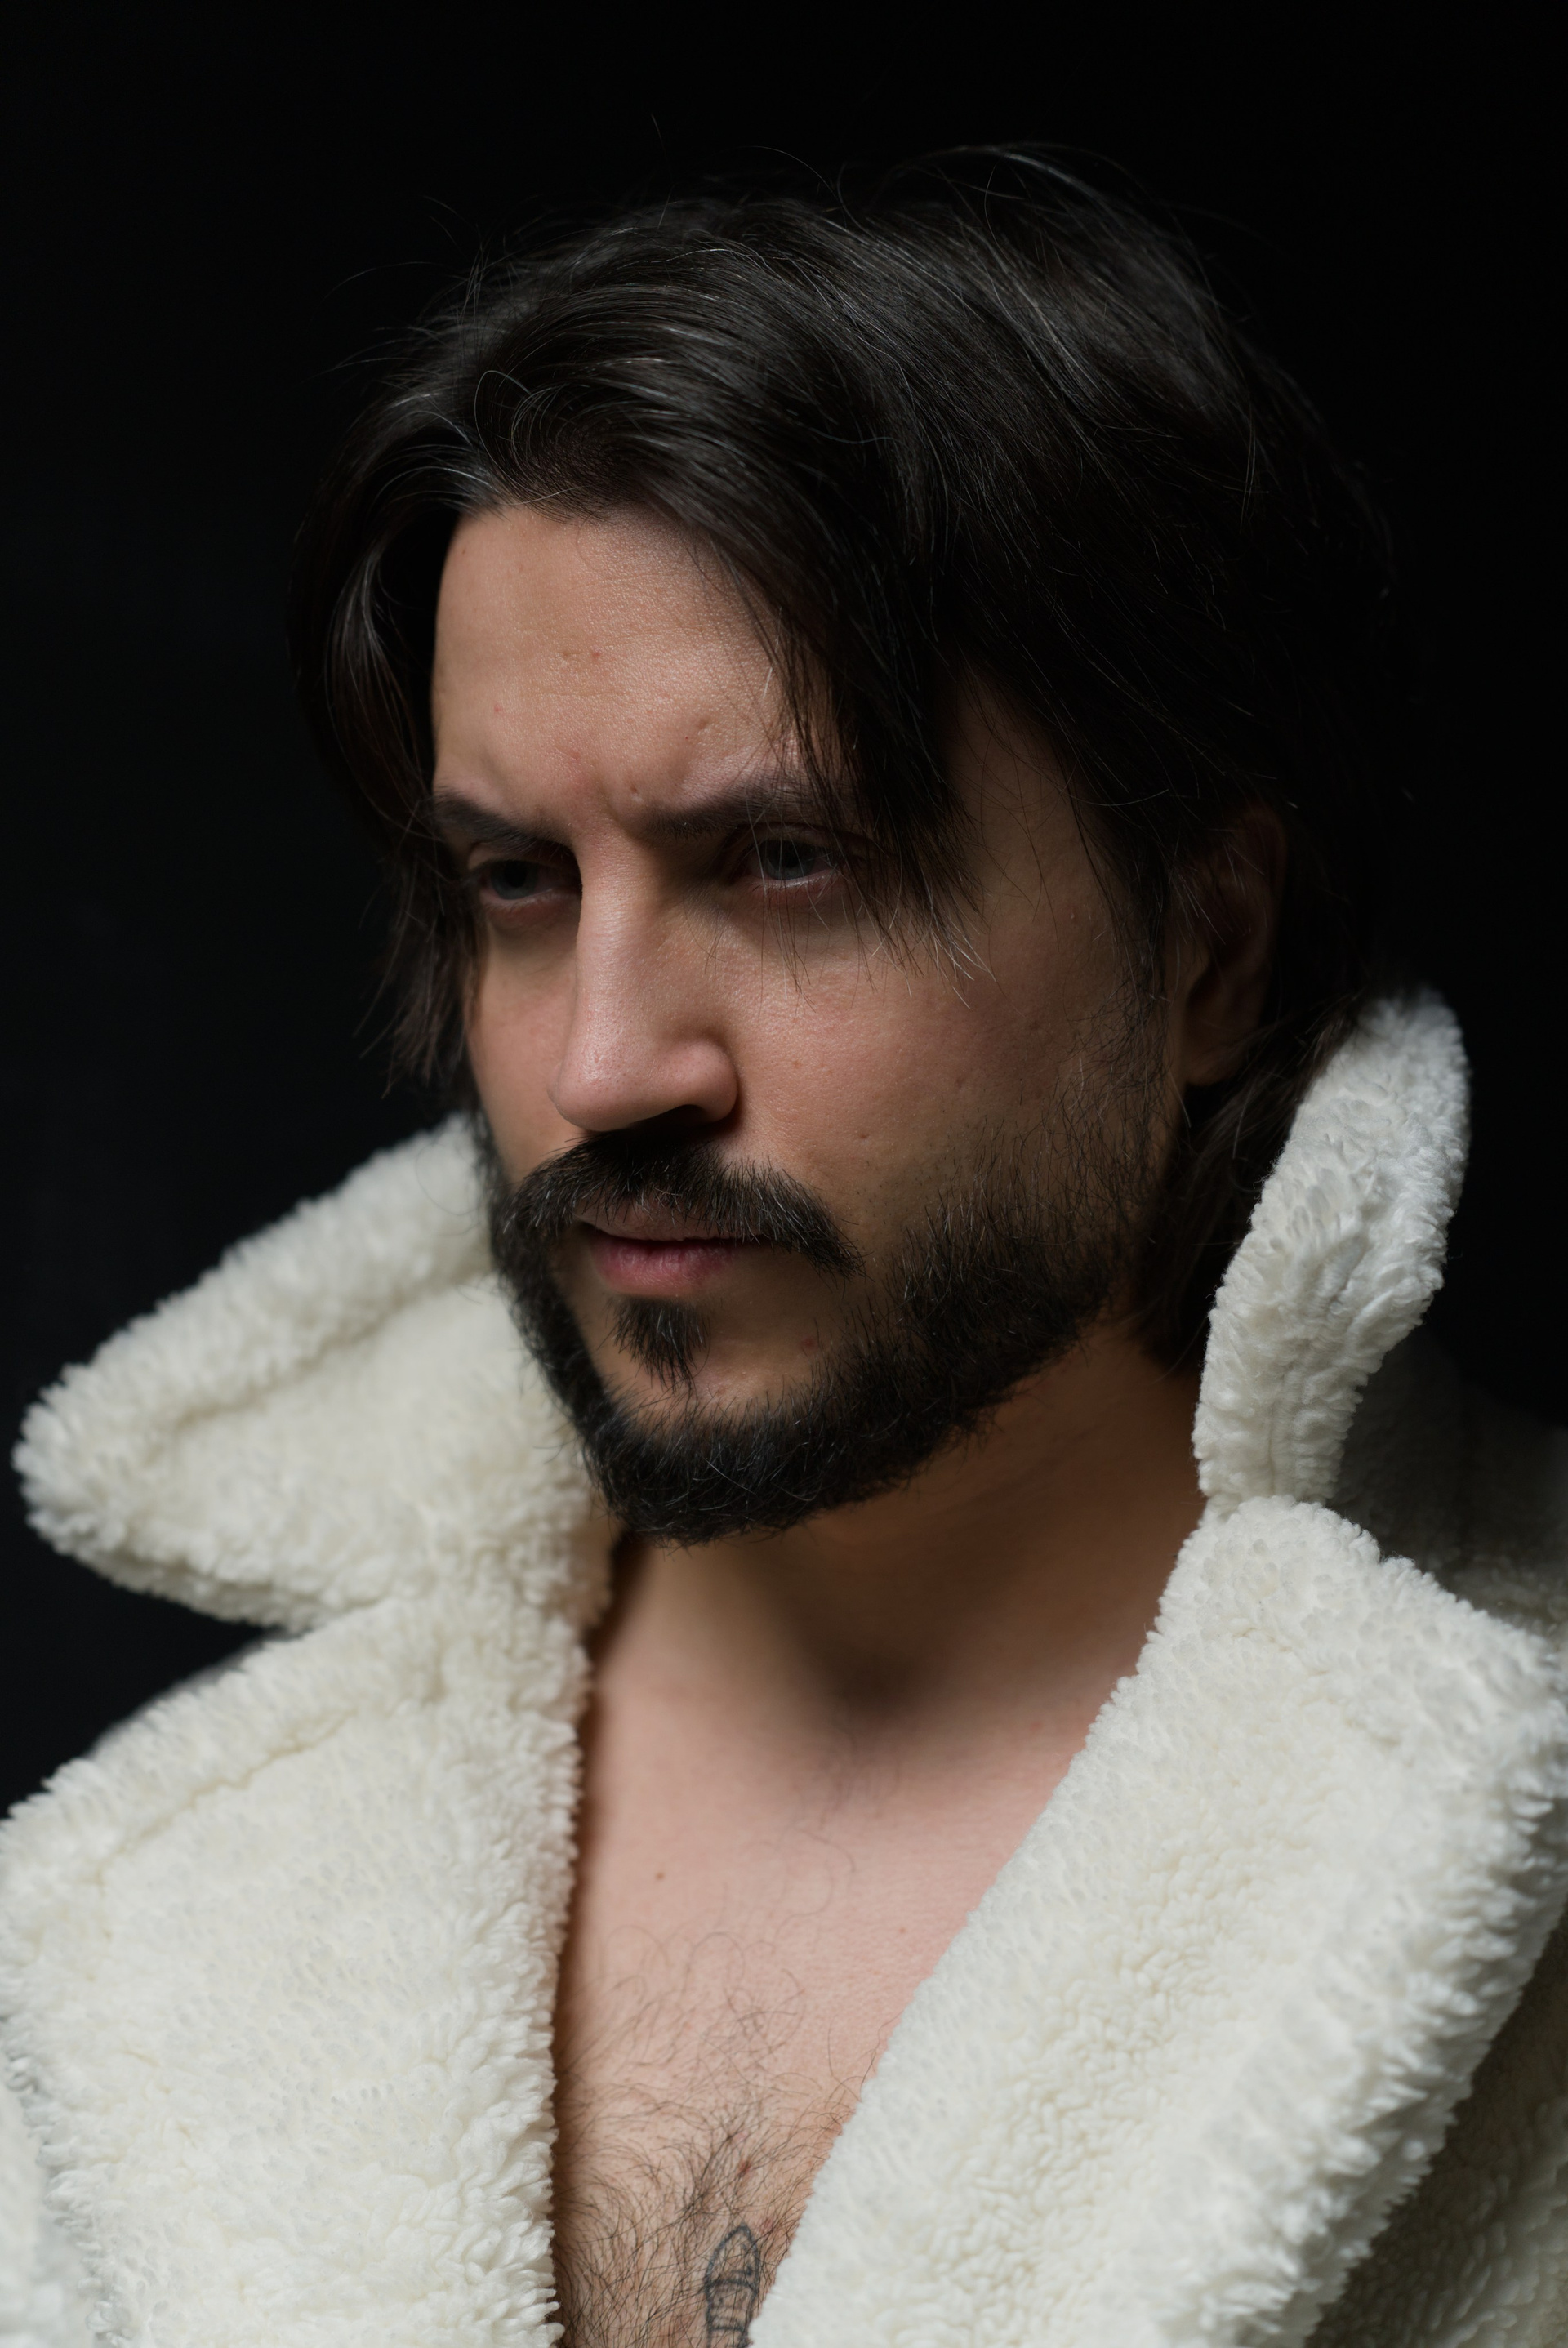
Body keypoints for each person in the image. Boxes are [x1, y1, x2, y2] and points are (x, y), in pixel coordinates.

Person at [2, 156, 1565, 2348]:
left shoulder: (1502, 1801)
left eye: (787, 861)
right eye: (519, 882)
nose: (601, 1065)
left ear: (1210, 950)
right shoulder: (146, 1905)